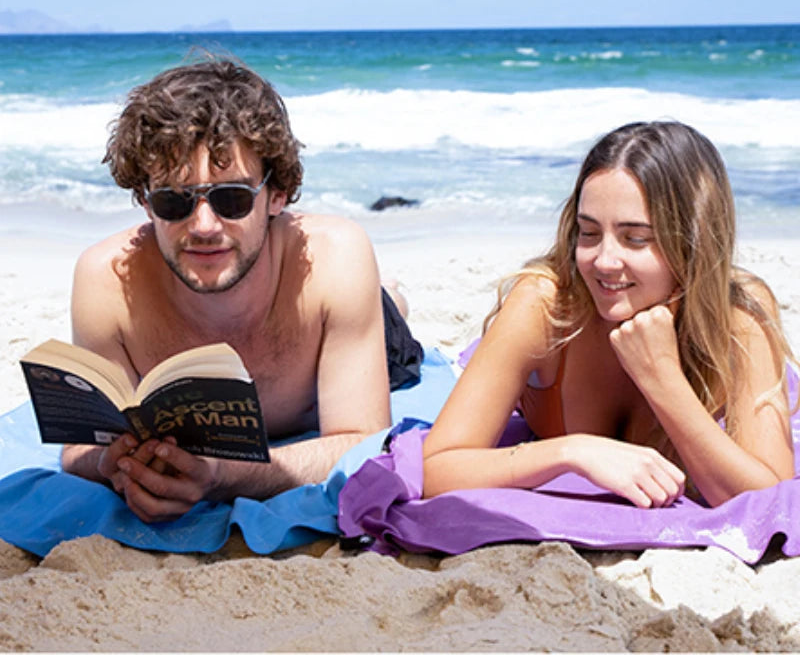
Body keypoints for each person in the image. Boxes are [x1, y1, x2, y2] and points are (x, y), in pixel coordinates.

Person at [62, 57, 421, 522]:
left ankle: (389, 297)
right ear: (145, 203)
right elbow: (79, 449)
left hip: (349, 322)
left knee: (386, 312)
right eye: (174, 202)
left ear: (277, 194)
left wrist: (227, 474)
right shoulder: (106, 280)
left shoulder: (336, 258)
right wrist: (111, 464)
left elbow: (362, 439)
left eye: (232, 198)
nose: (205, 226)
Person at [423, 121, 795, 508]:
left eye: (636, 238)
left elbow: (771, 502)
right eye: (588, 233)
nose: (603, 260)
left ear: (694, 242)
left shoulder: (738, 313)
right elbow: (435, 469)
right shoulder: (546, 305)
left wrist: (662, 377)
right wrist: (573, 452)